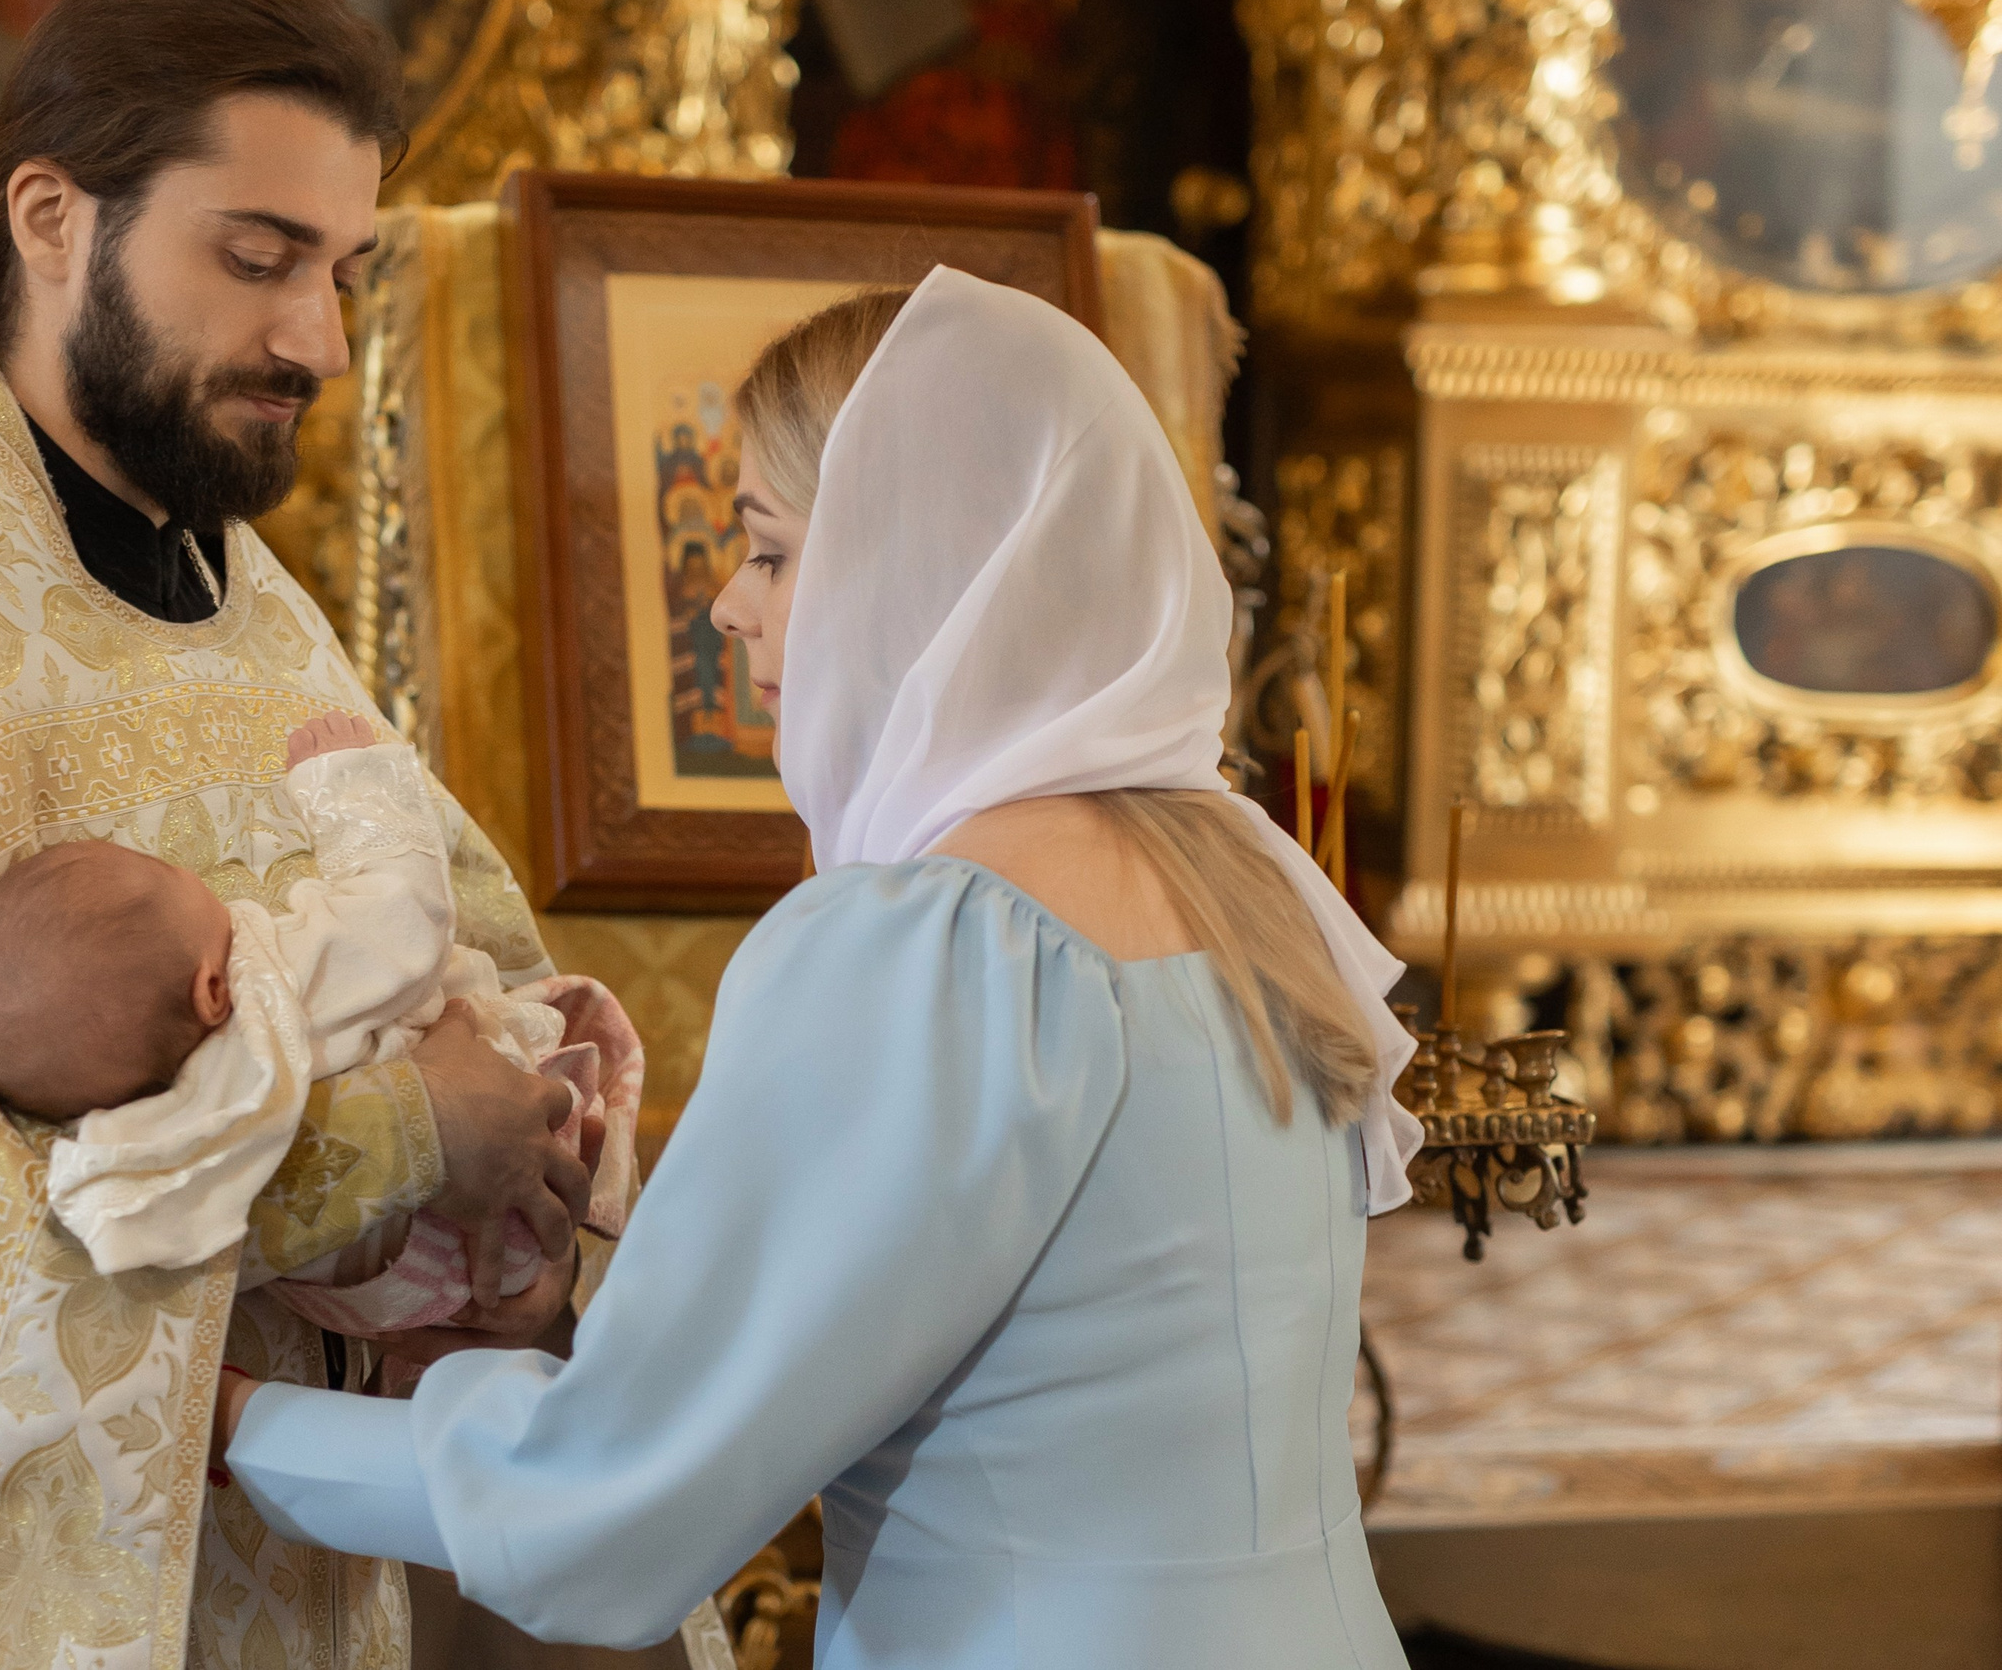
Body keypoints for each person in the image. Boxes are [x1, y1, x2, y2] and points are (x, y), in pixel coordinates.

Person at [213, 269, 1424, 1667]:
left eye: (774, 551)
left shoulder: (934, 946)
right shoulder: (1254, 881)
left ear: (933, 571)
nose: (733, 605)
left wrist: (238, 1420)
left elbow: (606, 1511)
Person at [0, 0, 606, 1670]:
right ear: (54, 218)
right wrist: (411, 1139)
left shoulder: (242, 599)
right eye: (256, 259)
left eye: (344, 274)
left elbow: (470, 956)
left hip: (301, 1558)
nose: (316, 338)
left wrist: (532, 1152)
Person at [0, 709, 638, 1327]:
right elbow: (405, 918)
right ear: (212, 988)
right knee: (581, 1031)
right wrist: (349, 785)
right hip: (488, 1215)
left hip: (372, 1297)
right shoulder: (272, 978)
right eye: (182, 881)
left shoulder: (148, 1126)